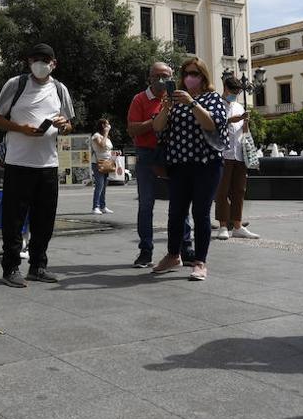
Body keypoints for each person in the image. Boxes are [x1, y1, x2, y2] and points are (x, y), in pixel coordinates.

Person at [0, 43, 76, 288]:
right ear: (28, 62)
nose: (40, 63)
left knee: (44, 219)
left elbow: (69, 124)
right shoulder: (15, 85)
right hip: (18, 163)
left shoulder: (60, 89)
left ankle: (38, 266)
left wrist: (63, 125)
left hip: (48, 164)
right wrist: (20, 128)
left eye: (45, 59)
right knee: (14, 219)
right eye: (36, 59)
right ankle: (11, 267)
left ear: (54, 63)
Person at [150, 57, 229, 281]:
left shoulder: (212, 98)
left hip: (206, 164)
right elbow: (157, 127)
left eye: (194, 73)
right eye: (185, 73)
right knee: (176, 213)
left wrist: (193, 104)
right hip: (179, 164)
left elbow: (211, 124)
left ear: (203, 76)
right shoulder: (173, 99)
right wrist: (166, 108)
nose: (189, 78)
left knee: (200, 214)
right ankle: (173, 255)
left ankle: (200, 262)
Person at [126, 62, 192, 267]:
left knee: (181, 202)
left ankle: (185, 247)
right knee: (146, 204)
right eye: (157, 76)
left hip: (174, 153)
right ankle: (146, 250)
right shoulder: (140, 99)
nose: (161, 79)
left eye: (166, 75)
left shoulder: (178, 97)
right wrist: (155, 120)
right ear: (149, 79)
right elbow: (132, 130)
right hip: (147, 154)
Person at [214, 96, 258, 240]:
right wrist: (230, 120)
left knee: (239, 190)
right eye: (233, 91)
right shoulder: (217, 105)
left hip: (239, 154)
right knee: (222, 191)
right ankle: (223, 226)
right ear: (226, 89)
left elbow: (244, 131)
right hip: (223, 153)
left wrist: (245, 122)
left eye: (237, 92)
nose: (234, 94)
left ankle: (237, 226)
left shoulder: (239, 106)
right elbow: (212, 125)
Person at [90, 119, 115, 215]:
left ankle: (103, 206)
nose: (109, 125)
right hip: (97, 163)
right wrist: (106, 132)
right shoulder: (96, 136)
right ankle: (95, 207)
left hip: (106, 162)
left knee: (104, 186)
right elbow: (102, 145)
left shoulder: (107, 137)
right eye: (107, 124)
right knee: (99, 185)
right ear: (103, 125)